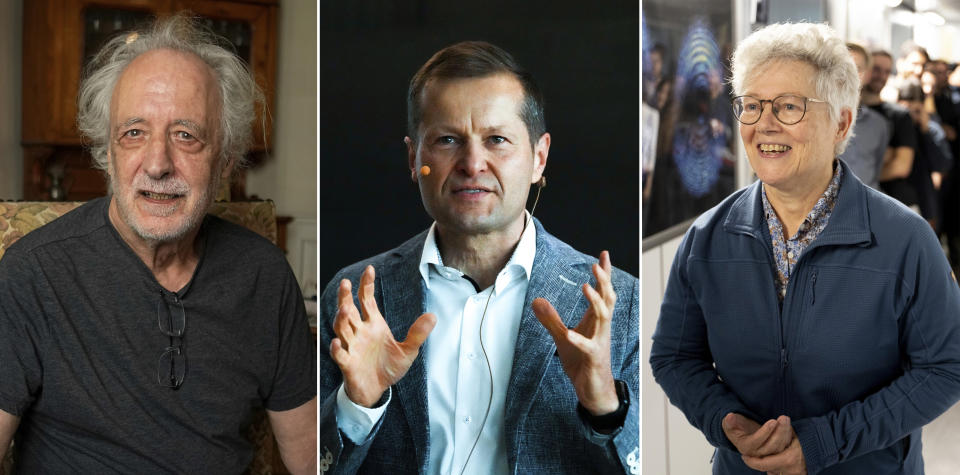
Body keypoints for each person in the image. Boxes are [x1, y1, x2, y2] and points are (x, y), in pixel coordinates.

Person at [0, 15, 317, 474]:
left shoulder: (264, 276)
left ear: (225, 160)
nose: (157, 163)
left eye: (186, 135)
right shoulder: (32, 273)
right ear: (107, 153)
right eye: (134, 133)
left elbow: (308, 456)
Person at [651, 22, 960, 475]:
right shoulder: (708, 237)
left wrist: (822, 443)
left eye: (789, 106)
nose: (764, 124)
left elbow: (945, 367)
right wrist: (727, 424)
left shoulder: (904, 240)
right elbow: (674, 357)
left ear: (841, 122)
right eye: (751, 105)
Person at [318, 41, 639, 474]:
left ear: (539, 158)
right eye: (448, 140)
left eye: (497, 140)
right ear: (413, 158)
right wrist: (359, 405)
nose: (473, 163)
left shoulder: (621, 303)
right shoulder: (354, 298)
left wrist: (605, 407)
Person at [838, 42, 891, 190]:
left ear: (867, 75)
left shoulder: (879, 124)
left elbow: (876, 171)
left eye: (857, 68)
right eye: (844, 67)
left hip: (867, 205)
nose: (849, 74)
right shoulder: (819, 119)